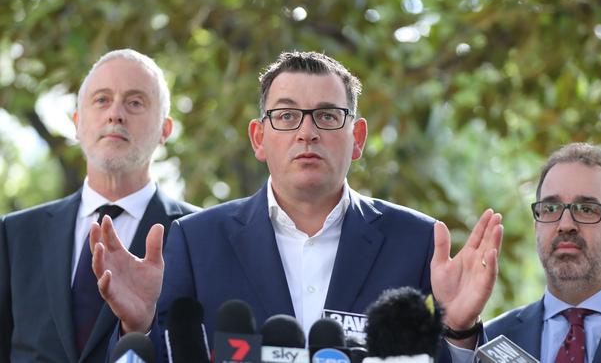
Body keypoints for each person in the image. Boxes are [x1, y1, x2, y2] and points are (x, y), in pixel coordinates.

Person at [94, 51, 503, 361]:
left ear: (357, 137)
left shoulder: (416, 242)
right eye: (287, 116)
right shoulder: (195, 240)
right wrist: (139, 324)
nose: (307, 132)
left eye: (327, 116)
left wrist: (460, 331)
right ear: (259, 137)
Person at [0, 49, 199, 363]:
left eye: (135, 102)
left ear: (165, 130)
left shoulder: (201, 236)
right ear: (77, 123)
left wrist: (141, 328)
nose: (115, 114)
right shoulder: (14, 234)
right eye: (102, 100)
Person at [485, 143, 601, 363]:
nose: (565, 224)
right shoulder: (492, 339)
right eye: (551, 209)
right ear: (537, 228)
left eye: (587, 209)